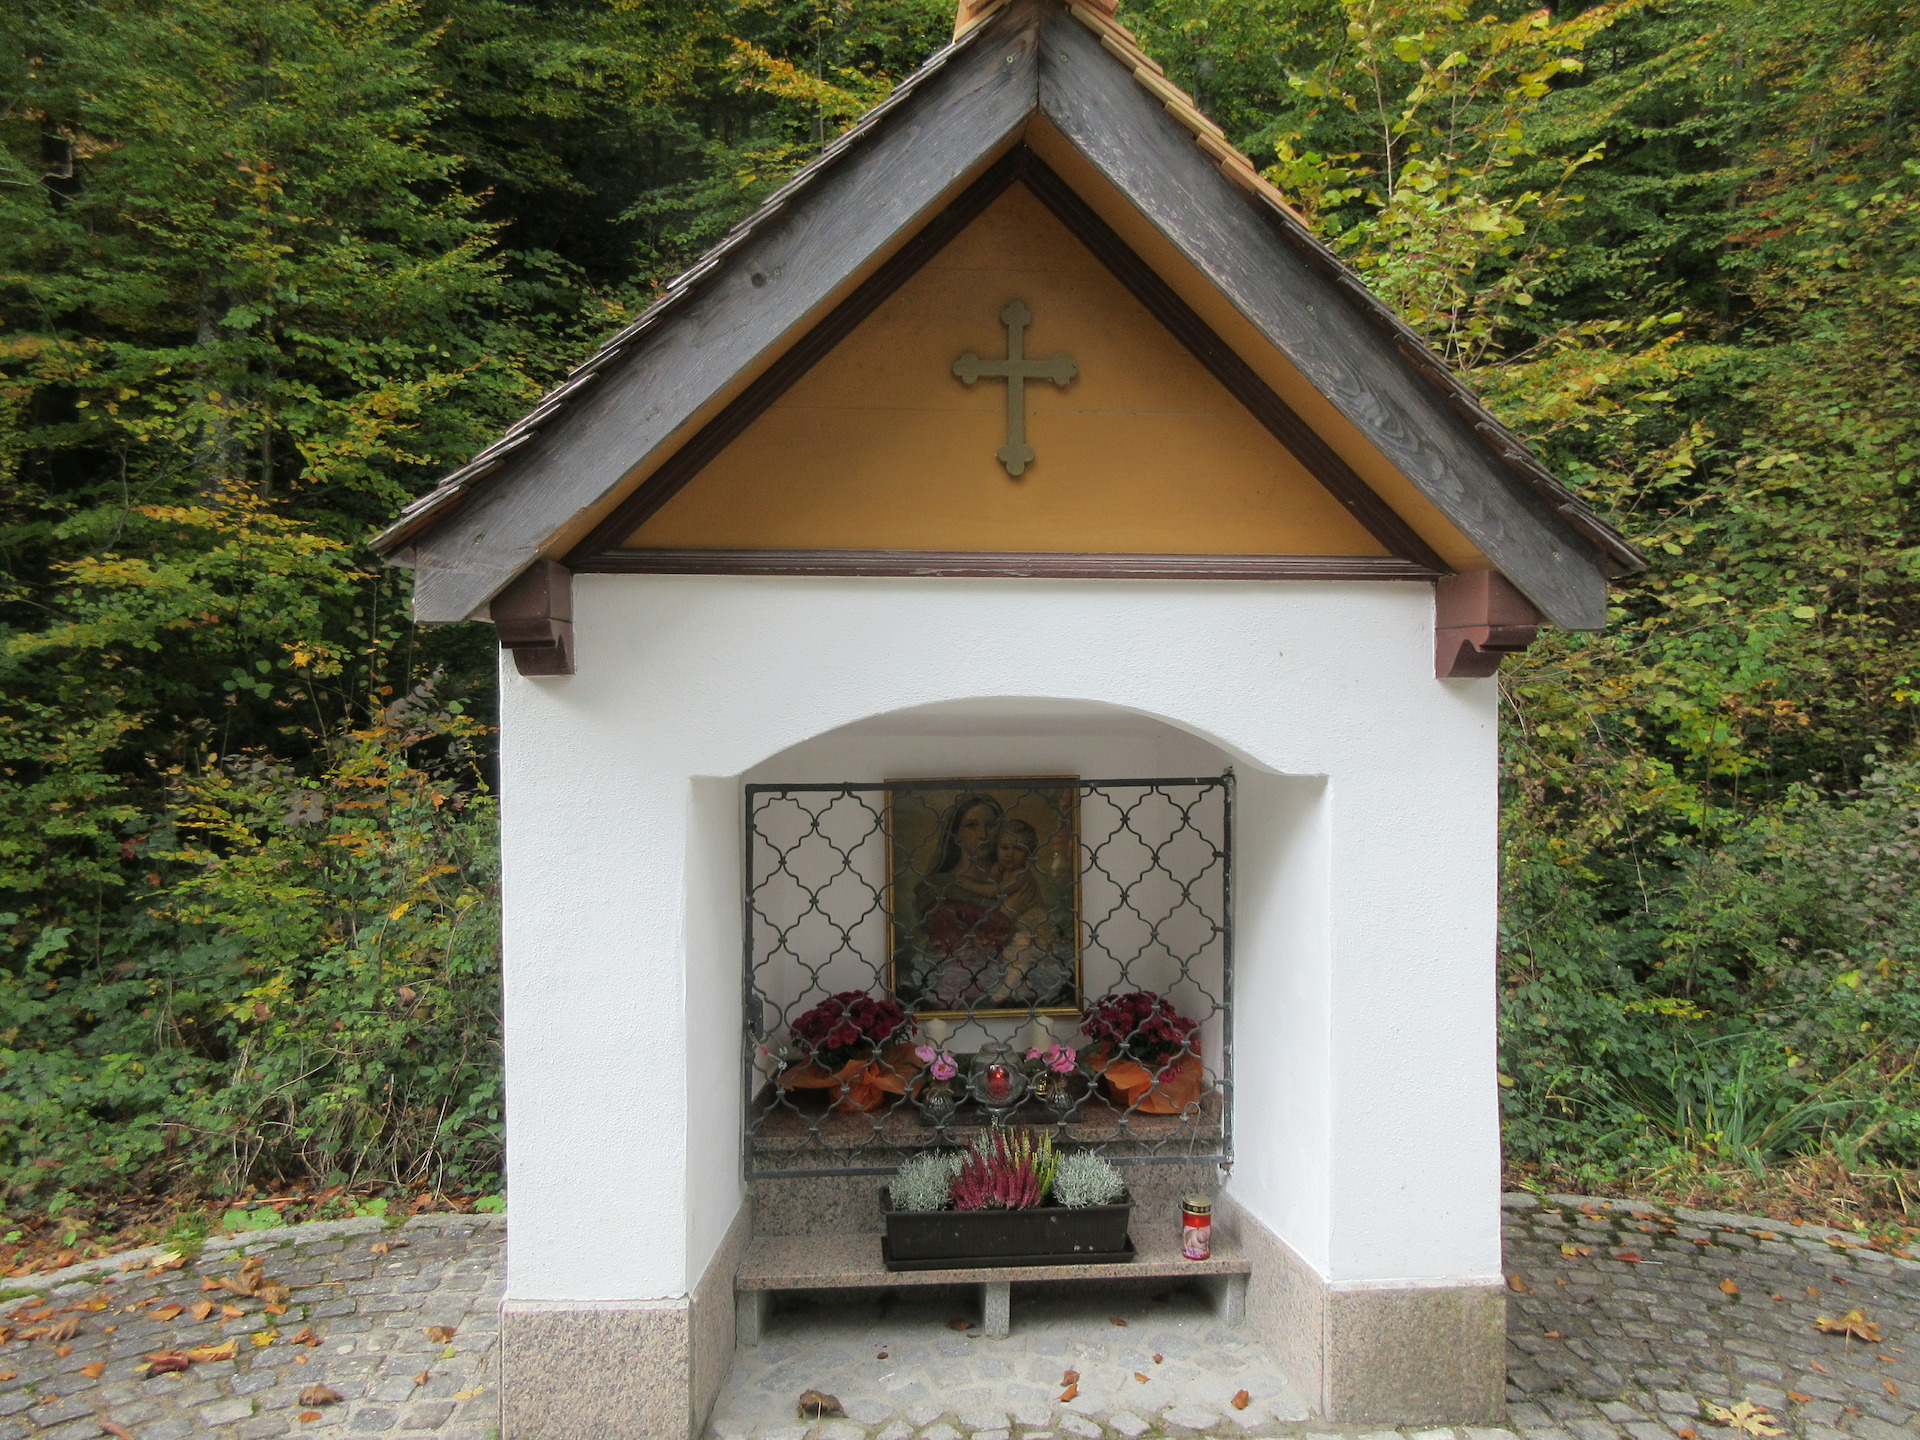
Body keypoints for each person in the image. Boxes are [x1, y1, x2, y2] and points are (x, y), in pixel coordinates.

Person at [908, 794, 1015, 1009]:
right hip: (957, 996)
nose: (983, 834)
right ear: (956, 834)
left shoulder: (1015, 881)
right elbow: (954, 954)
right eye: (972, 826)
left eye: (991, 825)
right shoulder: (940, 889)